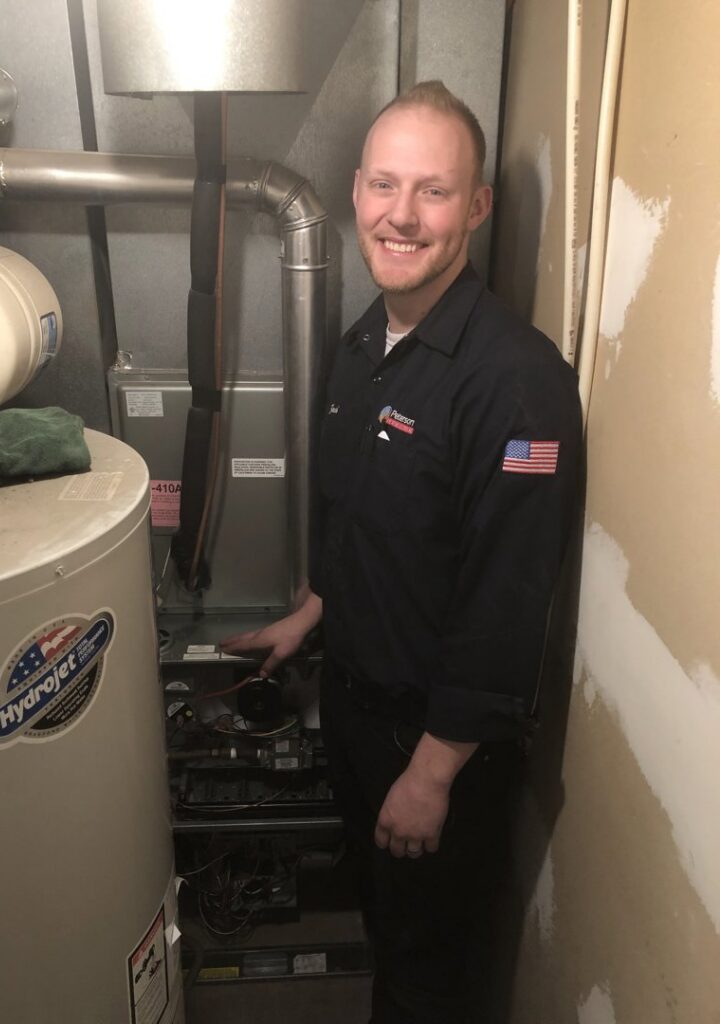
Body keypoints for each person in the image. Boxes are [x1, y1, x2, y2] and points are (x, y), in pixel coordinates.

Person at [223, 80, 582, 1023]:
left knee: (425, 982)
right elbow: (366, 524)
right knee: (388, 934)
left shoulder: (516, 385)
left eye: (432, 191)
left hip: (435, 755)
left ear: (476, 207)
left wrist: (429, 774)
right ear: (355, 193)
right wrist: (312, 612)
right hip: (355, 710)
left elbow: (508, 597)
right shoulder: (365, 345)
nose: (403, 216)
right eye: (386, 186)